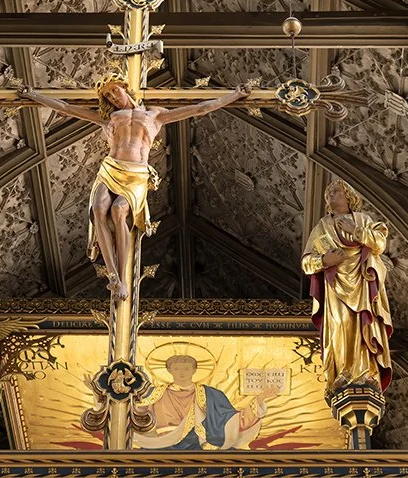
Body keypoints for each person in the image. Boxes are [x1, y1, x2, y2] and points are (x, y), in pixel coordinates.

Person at [21, 78, 250, 299]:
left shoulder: (156, 115)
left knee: (119, 211)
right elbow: (66, 108)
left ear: (124, 87)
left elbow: (200, 108)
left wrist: (235, 95)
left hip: (137, 173)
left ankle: (122, 274)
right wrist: (32, 94)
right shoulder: (109, 118)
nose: (113, 97)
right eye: (108, 96)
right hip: (111, 168)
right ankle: (113, 276)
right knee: (98, 209)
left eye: (114, 91)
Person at [301, 180, 394, 392]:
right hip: (336, 286)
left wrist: (356, 231)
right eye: (329, 193)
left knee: (364, 325)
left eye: (336, 191)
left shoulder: (363, 220)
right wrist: (325, 261)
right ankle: (342, 373)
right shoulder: (322, 227)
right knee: (341, 326)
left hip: (362, 280)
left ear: (349, 196)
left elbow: (379, 243)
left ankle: (368, 372)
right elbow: (306, 263)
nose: (332, 196)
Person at [134, 355, 275, 450]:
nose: (181, 372)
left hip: (195, 447)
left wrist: (259, 400)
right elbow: (137, 418)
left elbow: (234, 420)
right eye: (176, 368)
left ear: (194, 370)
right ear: (169, 370)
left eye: (186, 368)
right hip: (160, 446)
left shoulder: (210, 394)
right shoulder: (154, 393)